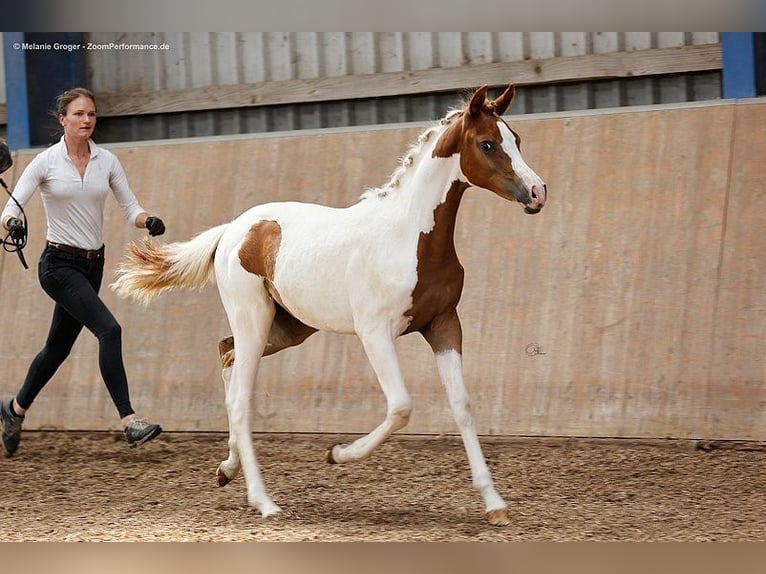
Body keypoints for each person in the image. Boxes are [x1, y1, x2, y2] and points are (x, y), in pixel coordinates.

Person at [0, 87, 165, 457]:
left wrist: (147, 220)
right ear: (63, 119)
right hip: (58, 266)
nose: (87, 120)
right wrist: (13, 223)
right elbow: (11, 208)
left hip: (93, 265)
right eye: (78, 114)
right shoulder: (45, 162)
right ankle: (129, 420)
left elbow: (130, 207)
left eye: (91, 114)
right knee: (110, 329)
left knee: (57, 348)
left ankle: (13, 410)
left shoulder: (107, 161)